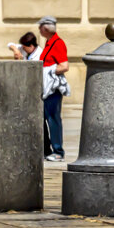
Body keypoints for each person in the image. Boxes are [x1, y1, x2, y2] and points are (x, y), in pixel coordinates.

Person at [37, 16, 70, 162]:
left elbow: (64, 66)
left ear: (45, 28)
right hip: (46, 88)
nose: (39, 30)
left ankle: (58, 151)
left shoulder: (58, 43)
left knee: (53, 119)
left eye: (40, 27)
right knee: (44, 119)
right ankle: (47, 150)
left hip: (53, 89)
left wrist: (48, 71)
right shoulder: (49, 43)